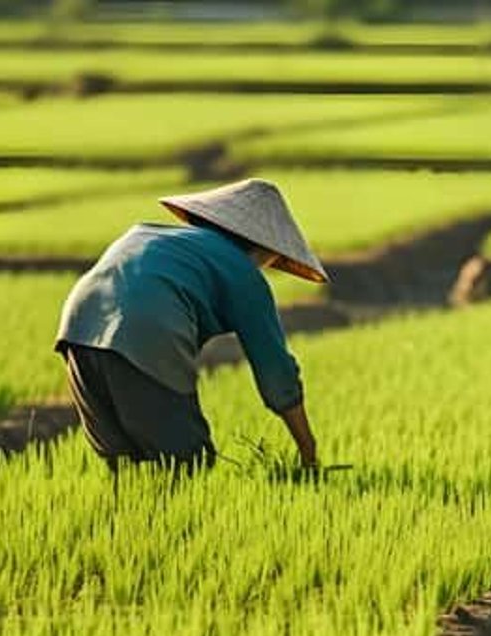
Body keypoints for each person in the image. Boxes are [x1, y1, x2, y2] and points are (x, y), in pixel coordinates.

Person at [54, 178, 325, 471]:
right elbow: (276, 372)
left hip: (77, 325)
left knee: (123, 462)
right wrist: (308, 450)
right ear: (263, 247)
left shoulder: (146, 234)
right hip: (146, 329)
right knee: (186, 460)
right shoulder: (242, 272)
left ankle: (122, 517)